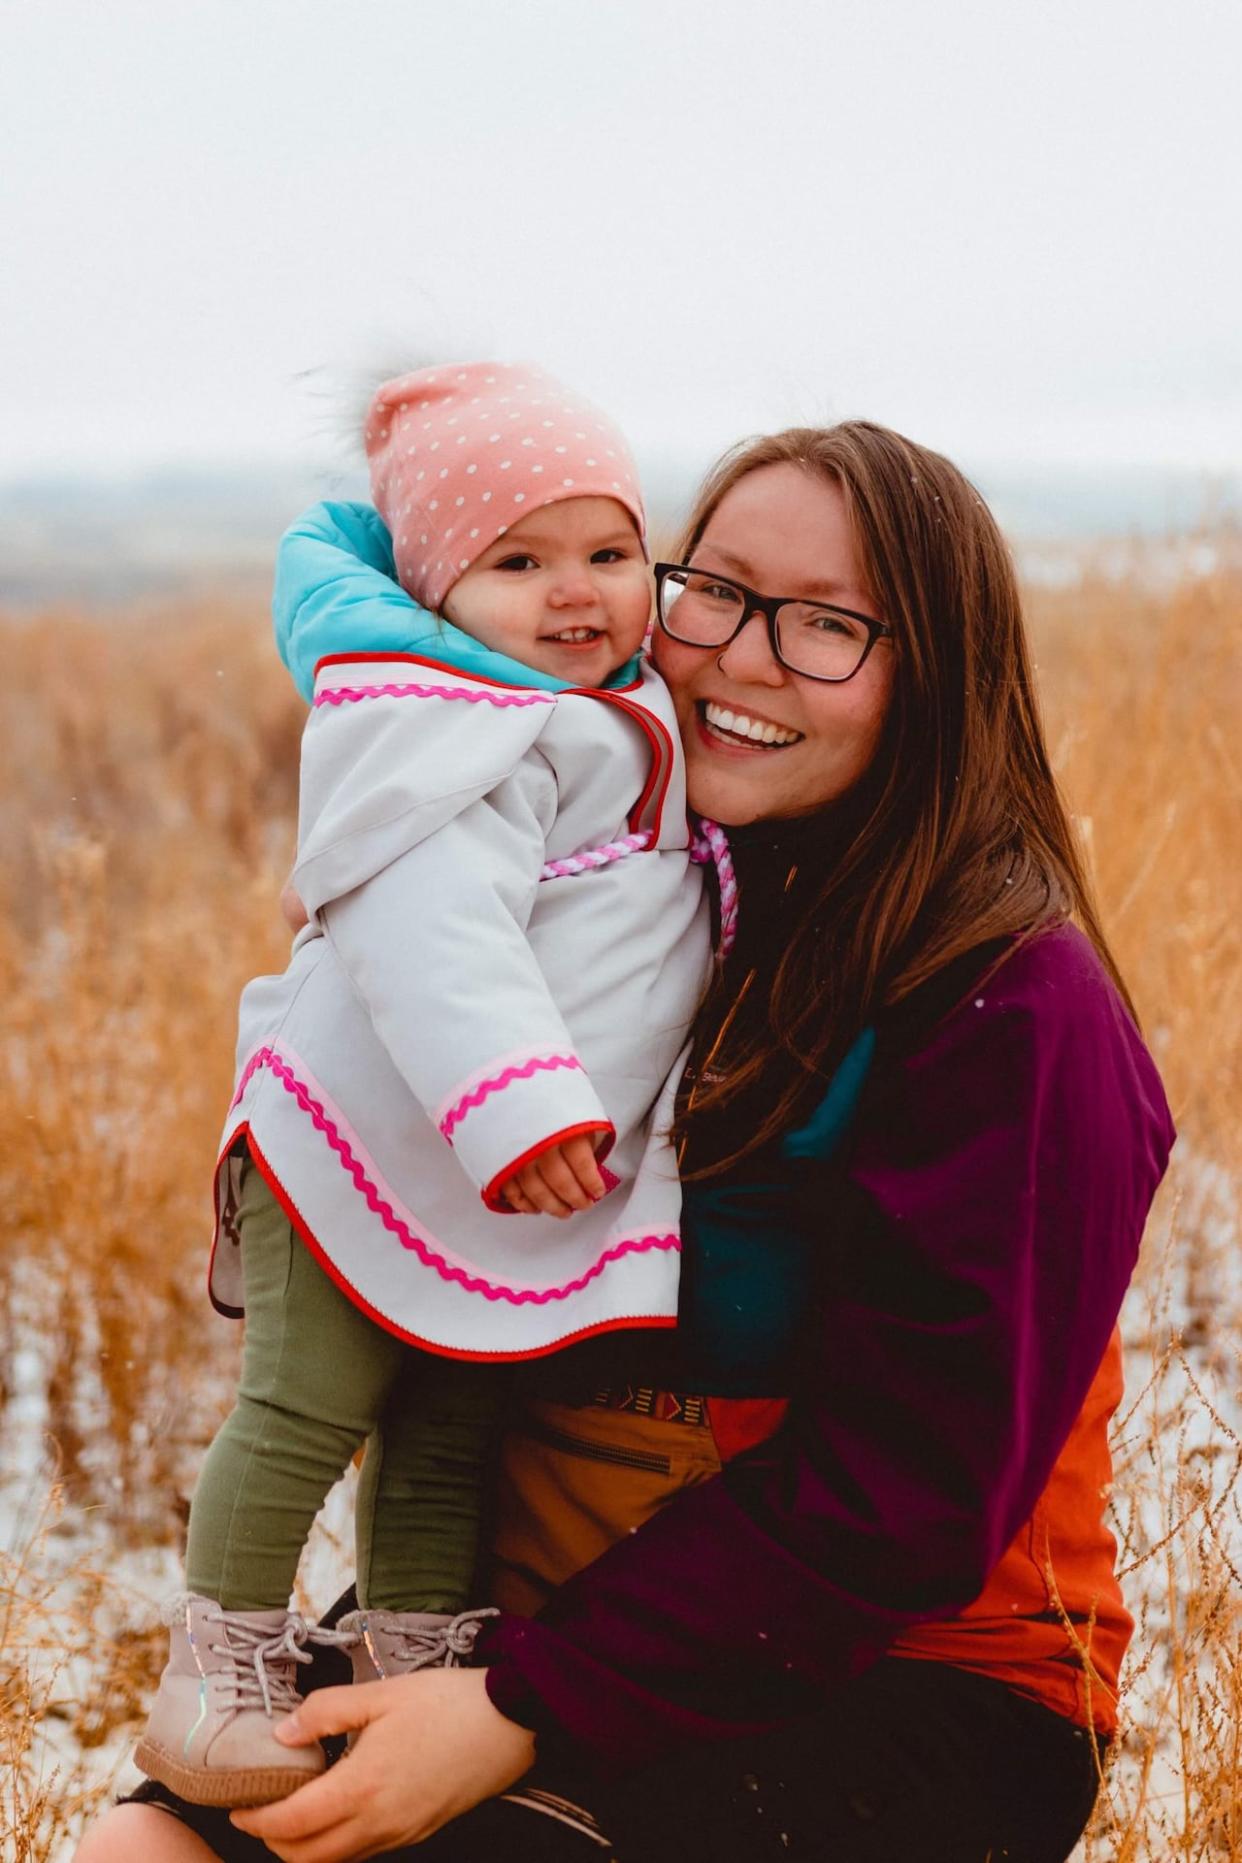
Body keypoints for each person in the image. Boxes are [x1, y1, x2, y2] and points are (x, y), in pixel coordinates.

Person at [81, 417, 1173, 1863]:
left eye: (829, 626)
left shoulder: (1011, 1007)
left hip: (904, 1674)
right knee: (138, 1853)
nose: (737, 654)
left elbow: (897, 1500)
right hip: (532, 1608)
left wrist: (522, 1705)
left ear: (936, 677)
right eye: (708, 589)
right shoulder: (646, 889)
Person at [131, 361, 713, 1807]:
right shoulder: (450, 724)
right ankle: (215, 1673)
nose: (573, 593)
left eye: (606, 553)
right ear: (439, 589)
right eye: (517, 563)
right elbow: (429, 926)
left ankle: (414, 1656)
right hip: (364, 1140)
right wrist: (520, 1101)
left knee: (455, 1421)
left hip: (470, 1165)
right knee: (308, 1404)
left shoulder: (603, 704)